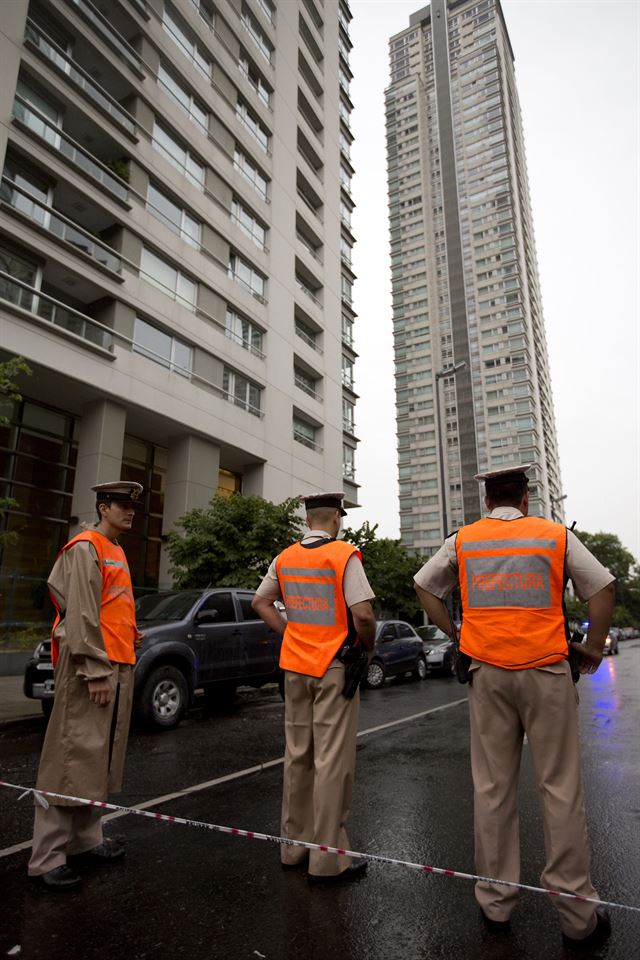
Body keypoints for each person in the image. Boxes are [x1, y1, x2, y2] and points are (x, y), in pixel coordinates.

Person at [413, 464, 615, 950]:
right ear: (526, 498)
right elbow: (602, 588)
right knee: (559, 787)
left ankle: (496, 903)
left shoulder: (464, 540)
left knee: (492, 787)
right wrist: (594, 645)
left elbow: (424, 587)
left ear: (488, 502)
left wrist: (457, 634)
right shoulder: (553, 535)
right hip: (546, 670)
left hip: (487, 674)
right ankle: (577, 917)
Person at [252, 492, 376, 883]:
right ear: (336, 519)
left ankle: (293, 848)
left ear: (308, 521)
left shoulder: (284, 558)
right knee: (331, 761)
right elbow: (364, 614)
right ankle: (327, 860)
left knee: (298, 756)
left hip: (295, 667)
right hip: (333, 667)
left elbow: (260, 602)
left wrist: (291, 633)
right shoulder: (343, 555)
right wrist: (367, 649)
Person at [28, 481, 144, 890]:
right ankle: (46, 857)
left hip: (114, 660)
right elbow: (78, 613)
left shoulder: (114, 549)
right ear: (103, 507)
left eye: (133, 506)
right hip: (90, 667)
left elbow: (105, 607)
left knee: (98, 757)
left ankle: (84, 840)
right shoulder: (86, 546)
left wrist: (130, 632)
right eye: (122, 505)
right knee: (71, 755)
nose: (130, 511)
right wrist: (95, 670)